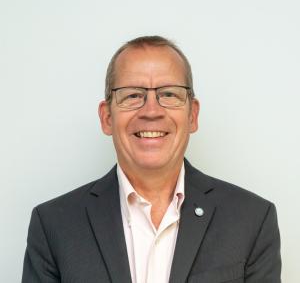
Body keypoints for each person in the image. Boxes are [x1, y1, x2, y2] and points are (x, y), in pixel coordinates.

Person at [22, 36, 281, 283]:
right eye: (132, 95)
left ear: (192, 116)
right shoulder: (54, 225)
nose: (151, 111)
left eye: (169, 94)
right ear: (107, 118)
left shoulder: (252, 220)